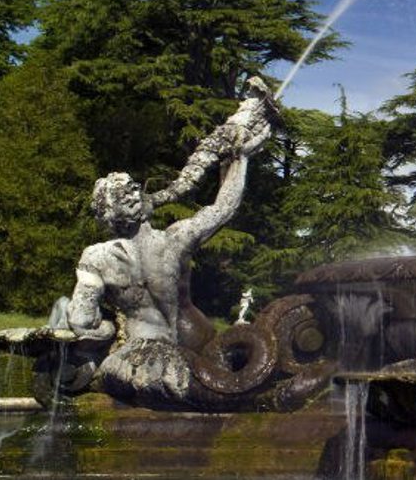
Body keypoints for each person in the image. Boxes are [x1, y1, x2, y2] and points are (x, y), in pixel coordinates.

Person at [65, 79, 276, 406]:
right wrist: (242, 159)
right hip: (191, 347)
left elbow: (80, 320)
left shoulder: (96, 257)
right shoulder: (174, 240)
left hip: (136, 357)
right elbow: (224, 208)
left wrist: (105, 329)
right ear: (139, 203)